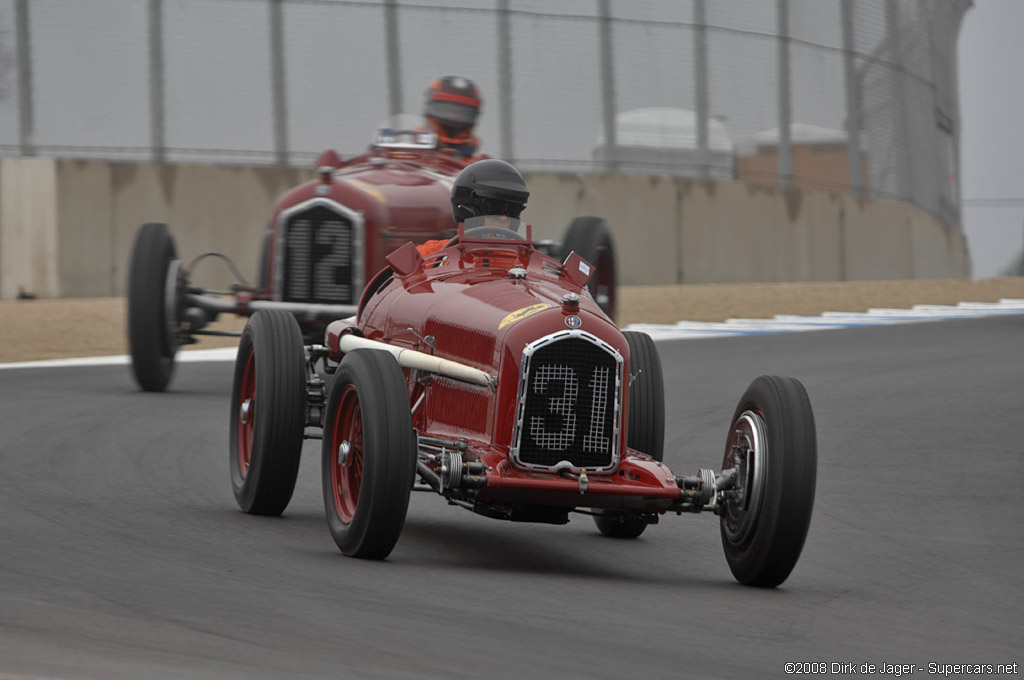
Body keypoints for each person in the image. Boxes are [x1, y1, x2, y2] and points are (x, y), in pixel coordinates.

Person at [416, 159, 530, 257]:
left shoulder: (525, 260)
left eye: (513, 209)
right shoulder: (431, 254)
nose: (504, 218)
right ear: (467, 210)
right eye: (494, 208)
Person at [423, 76, 484, 158]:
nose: (454, 115)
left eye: (462, 112)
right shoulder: (412, 150)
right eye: (446, 109)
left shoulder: (477, 161)